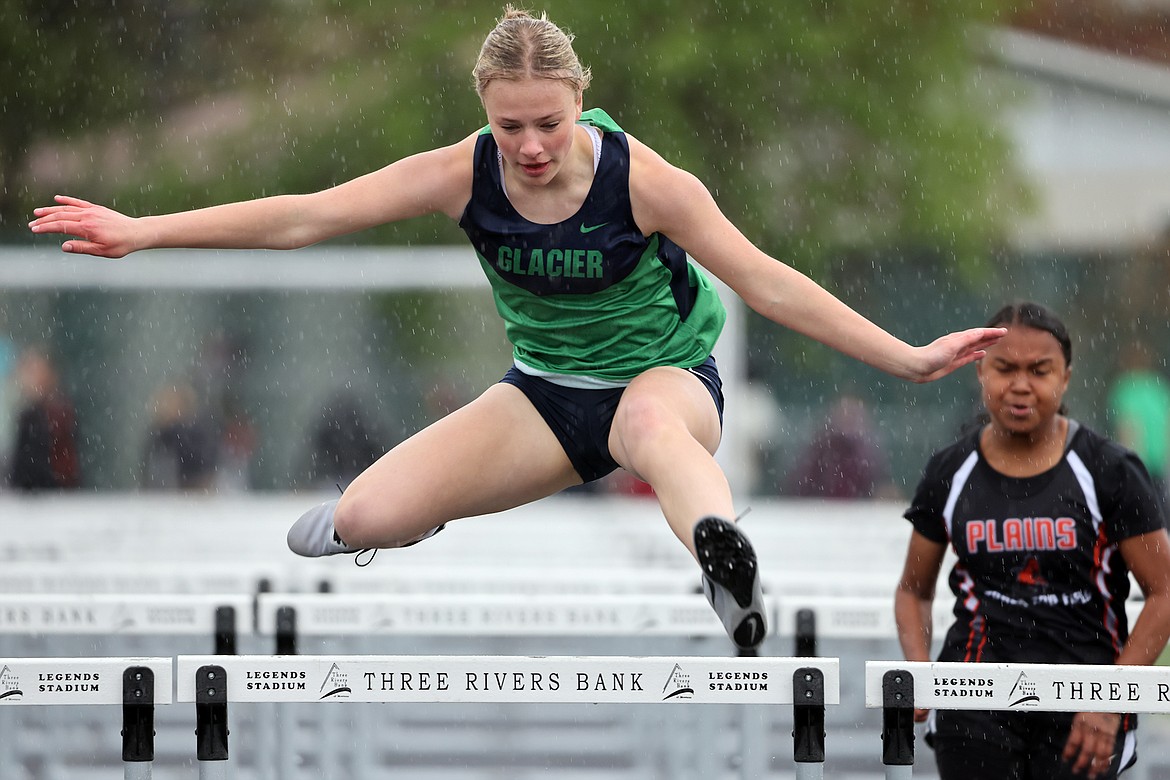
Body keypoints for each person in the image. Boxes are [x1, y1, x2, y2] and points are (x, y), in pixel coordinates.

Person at [29, 7, 1004, 650]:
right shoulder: (461, 173)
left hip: (660, 378)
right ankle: (379, 514)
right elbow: (304, 215)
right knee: (364, 520)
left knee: (653, 436)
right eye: (511, 129)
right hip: (541, 393)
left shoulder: (648, 182)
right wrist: (146, 231)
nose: (531, 148)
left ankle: (724, 564)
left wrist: (906, 358)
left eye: (549, 122)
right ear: (485, 116)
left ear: (579, 102)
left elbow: (768, 282)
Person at [894, 302, 1170, 779]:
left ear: (1065, 377)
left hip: (1086, 700)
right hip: (975, 695)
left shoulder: (1109, 470)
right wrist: (921, 672)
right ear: (980, 369)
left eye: (1039, 371)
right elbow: (913, 589)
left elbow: (1165, 590)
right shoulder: (950, 470)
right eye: (1005, 368)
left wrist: (1113, 699)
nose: (1020, 385)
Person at [7, 346, 80, 490]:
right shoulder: (28, 415)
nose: (31, 379)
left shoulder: (60, 412)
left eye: (36, 371)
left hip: (55, 495)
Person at [1107, 340, 1170, 505]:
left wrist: (1126, 457)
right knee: (1159, 505)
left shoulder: (1125, 388)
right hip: (1158, 457)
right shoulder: (1158, 385)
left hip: (1137, 458)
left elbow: (1126, 425)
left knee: (1138, 506)